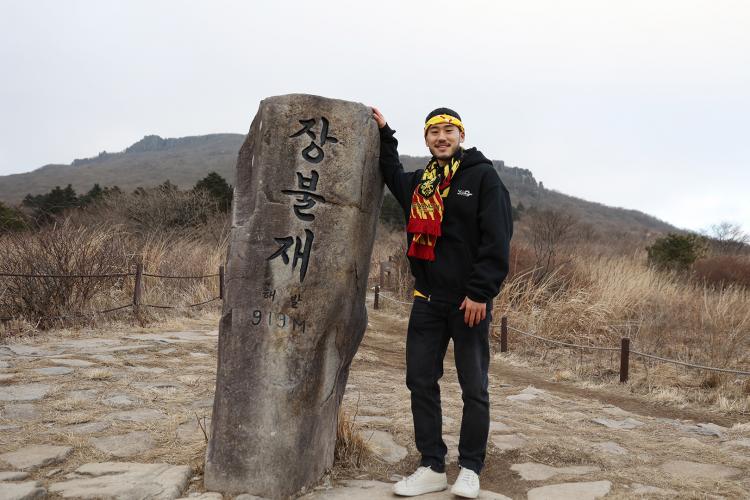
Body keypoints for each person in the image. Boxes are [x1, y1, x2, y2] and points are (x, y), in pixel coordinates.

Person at [371, 106, 513, 498]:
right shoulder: (421, 183)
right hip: (427, 300)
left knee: (474, 387)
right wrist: (385, 132)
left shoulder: (482, 178)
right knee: (419, 381)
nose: (442, 137)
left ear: (461, 136)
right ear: (427, 139)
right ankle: (432, 465)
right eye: (434, 132)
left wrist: (481, 292)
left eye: (449, 130)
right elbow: (391, 172)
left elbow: (497, 238)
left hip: (469, 303)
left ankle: (470, 467)